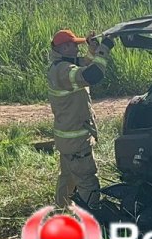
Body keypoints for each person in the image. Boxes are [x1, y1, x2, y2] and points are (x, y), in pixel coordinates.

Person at [46, 28, 113, 209]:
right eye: (75, 45)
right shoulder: (64, 71)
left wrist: (92, 50)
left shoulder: (61, 65)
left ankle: (61, 212)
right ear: (65, 47)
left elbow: (84, 63)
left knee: (68, 178)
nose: (77, 49)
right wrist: (103, 50)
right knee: (87, 181)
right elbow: (92, 74)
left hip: (66, 139)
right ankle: (90, 220)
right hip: (76, 140)